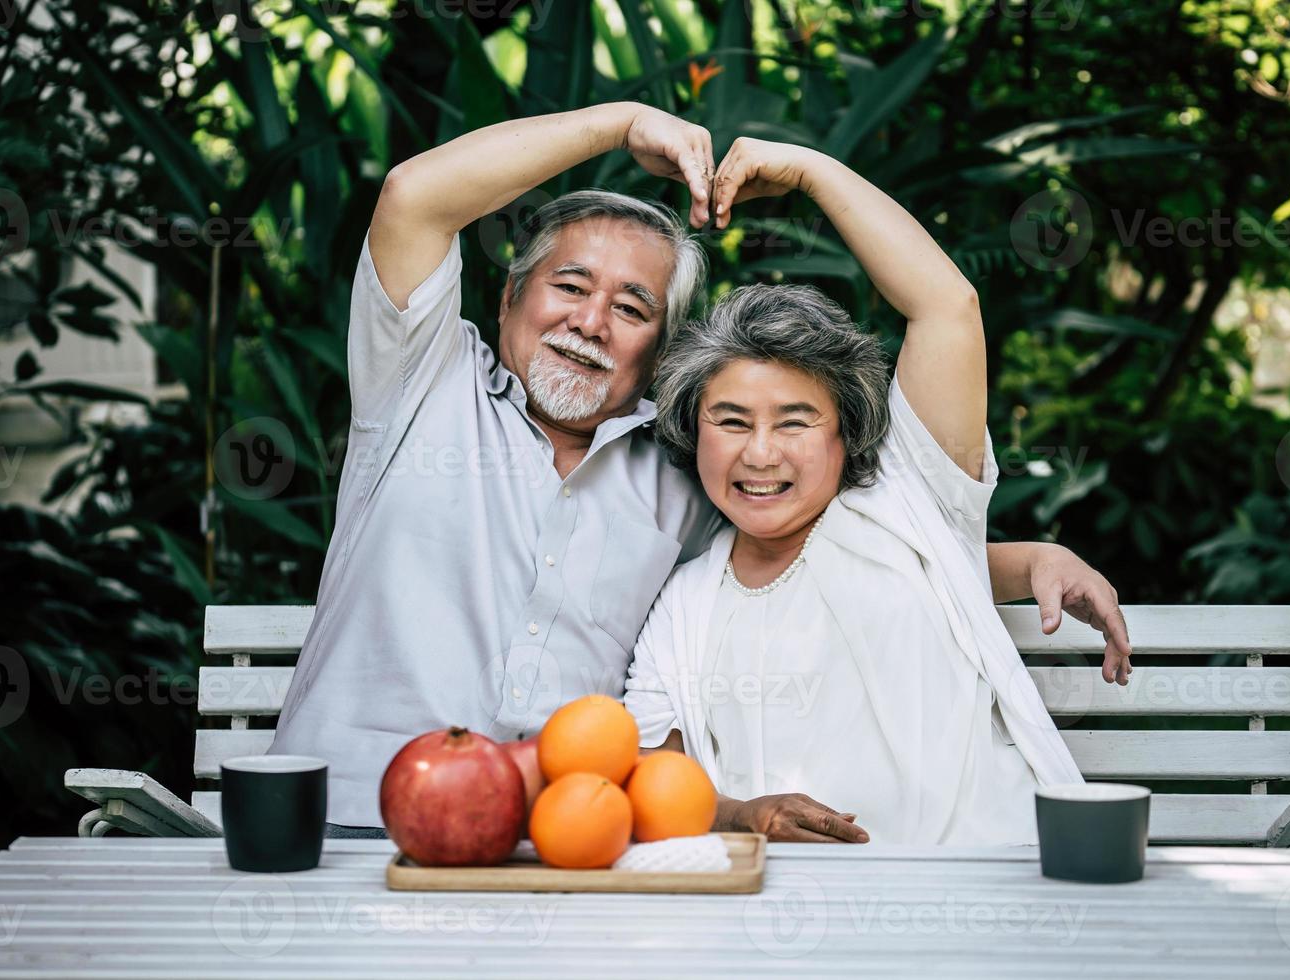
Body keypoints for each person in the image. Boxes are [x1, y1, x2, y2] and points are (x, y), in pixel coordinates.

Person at [267, 104, 1132, 836]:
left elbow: (812, 554)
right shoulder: (421, 391)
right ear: (508, 301)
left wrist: (1021, 563)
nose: (593, 321)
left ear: (660, 352)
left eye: (632, 307)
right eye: (570, 286)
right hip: (342, 811)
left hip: (560, 838)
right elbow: (414, 199)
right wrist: (622, 123)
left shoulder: (686, 473)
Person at [624, 137, 1126, 846]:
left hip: (990, 893)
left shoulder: (909, 502)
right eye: (731, 421)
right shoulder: (683, 605)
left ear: (846, 434)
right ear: (692, 432)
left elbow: (946, 305)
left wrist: (809, 171)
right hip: (798, 921)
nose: (760, 453)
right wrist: (746, 815)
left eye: (795, 422)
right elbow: (656, 773)